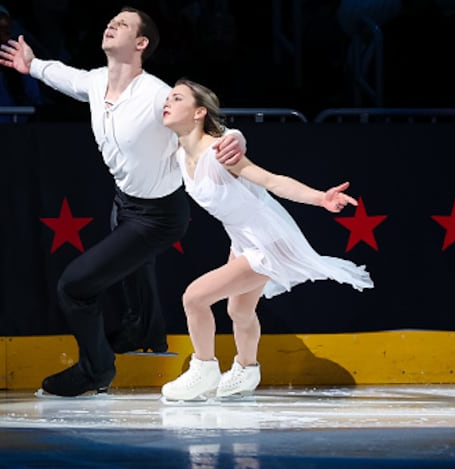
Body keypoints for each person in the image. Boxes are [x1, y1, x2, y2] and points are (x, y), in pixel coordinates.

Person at [0, 7, 246, 397]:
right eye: (111, 20)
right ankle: (144, 331)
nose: (111, 24)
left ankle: (96, 370)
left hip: (158, 217)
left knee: (75, 287)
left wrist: (235, 140)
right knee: (133, 271)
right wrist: (33, 66)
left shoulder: (158, 95)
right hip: (125, 204)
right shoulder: (98, 83)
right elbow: (72, 80)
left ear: (141, 43)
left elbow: (207, 126)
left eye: (124, 24)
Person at [159, 79, 373, 402]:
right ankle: (247, 369)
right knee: (239, 311)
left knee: (194, 298)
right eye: (167, 98)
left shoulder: (220, 150)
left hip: (268, 242)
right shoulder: (178, 156)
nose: (167, 102)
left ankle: (204, 369)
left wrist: (320, 198)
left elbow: (271, 180)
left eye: (177, 98)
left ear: (199, 111)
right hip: (243, 240)